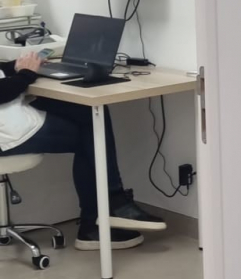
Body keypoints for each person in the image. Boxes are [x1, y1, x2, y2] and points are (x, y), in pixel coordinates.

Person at [0, 51, 166, 250]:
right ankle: (106, 210)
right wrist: (26, 73)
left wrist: (14, 66)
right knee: (91, 133)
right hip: (6, 134)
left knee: (87, 112)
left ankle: (100, 216)